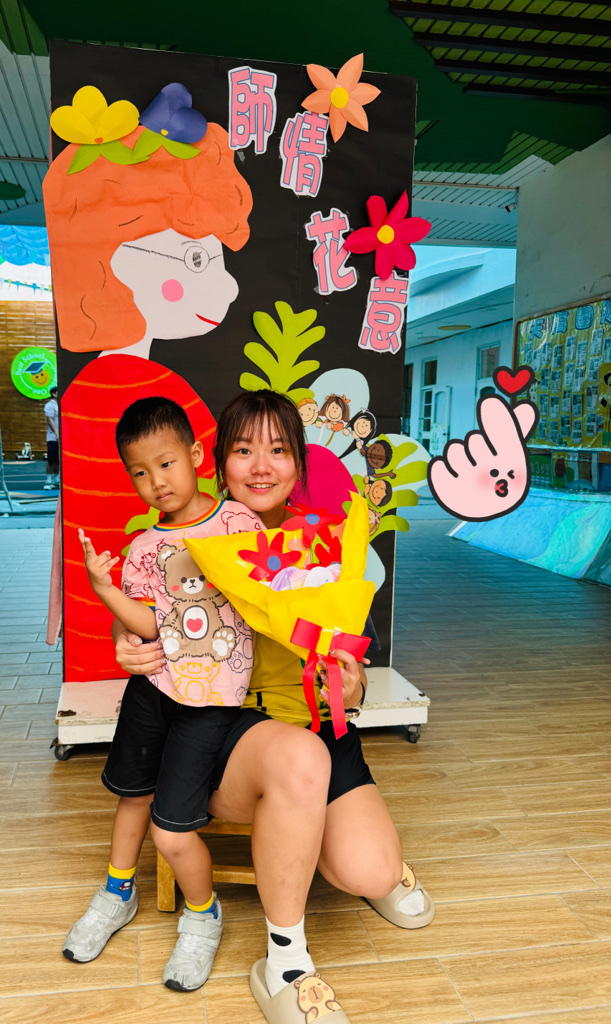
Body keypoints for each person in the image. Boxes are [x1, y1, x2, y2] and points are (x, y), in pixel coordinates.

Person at [114, 390, 434, 1024]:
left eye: (279, 451)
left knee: (368, 870)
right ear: (215, 462)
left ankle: (349, 852)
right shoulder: (193, 539)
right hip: (228, 736)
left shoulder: (323, 543)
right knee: (299, 759)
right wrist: (129, 643)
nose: (261, 467)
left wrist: (351, 688)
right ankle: (285, 960)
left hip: (317, 727)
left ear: (299, 463)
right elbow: (148, 613)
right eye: (243, 450)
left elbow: (352, 660)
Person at [63, 396, 262, 993]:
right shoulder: (145, 548)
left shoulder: (239, 523)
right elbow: (150, 623)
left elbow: (269, 598)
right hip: (152, 692)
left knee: (172, 828)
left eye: (166, 464)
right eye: (140, 472)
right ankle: (117, 892)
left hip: (210, 705)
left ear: (196, 455)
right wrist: (104, 590)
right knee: (131, 798)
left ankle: (203, 916)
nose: (156, 482)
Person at [43, 385, 59, 489]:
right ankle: (48, 481)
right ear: (53, 394)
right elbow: (49, 420)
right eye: (58, 392)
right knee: (51, 460)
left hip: (61, 437)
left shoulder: (60, 405)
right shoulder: (49, 405)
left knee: (58, 459)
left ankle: (56, 479)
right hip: (53, 437)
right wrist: (56, 433)